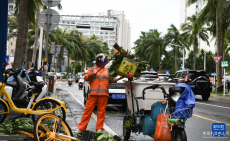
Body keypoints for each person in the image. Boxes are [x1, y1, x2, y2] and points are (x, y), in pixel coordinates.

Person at [77, 53, 122, 133]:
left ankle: (99, 129)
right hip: (93, 94)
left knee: (101, 112)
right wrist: (90, 75)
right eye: (101, 60)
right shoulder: (92, 69)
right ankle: (81, 128)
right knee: (87, 111)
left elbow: (110, 80)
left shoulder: (107, 70)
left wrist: (114, 80)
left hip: (103, 95)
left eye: (104, 60)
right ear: (97, 61)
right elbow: (85, 77)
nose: (102, 62)